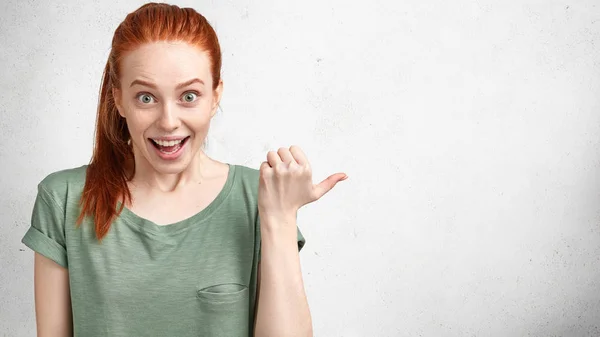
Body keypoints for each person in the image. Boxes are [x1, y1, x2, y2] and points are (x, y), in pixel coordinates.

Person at [20, 3, 347, 336]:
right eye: (146, 98)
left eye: (189, 96)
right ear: (118, 100)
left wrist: (279, 218)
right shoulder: (62, 199)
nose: (168, 122)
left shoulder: (258, 198)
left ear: (215, 95)